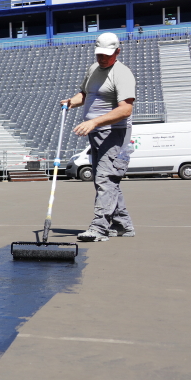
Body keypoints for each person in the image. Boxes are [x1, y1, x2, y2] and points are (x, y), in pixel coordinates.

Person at [62, 32, 136, 242]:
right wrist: (70, 102)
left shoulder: (122, 73)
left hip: (115, 132)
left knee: (105, 178)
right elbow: (84, 95)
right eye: (99, 54)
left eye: (107, 55)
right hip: (96, 133)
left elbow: (125, 110)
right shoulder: (93, 69)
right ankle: (122, 225)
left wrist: (94, 121)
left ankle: (99, 228)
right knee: (107, 178)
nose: (102, 58)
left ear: (117, 52)